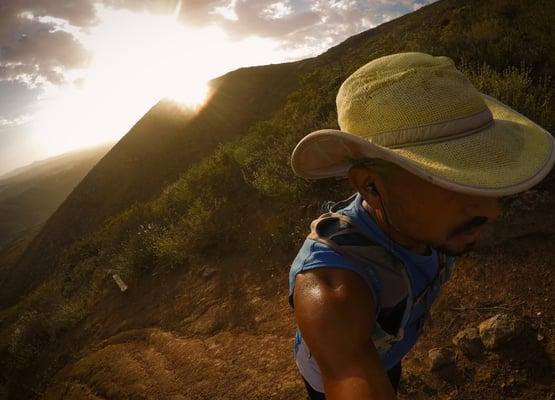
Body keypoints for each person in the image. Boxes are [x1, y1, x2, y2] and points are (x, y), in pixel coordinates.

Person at [287, 52, 555, 399]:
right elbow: (348, 371)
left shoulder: (419, 222)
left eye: (484, 177)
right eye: (450, 182)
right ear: (369, 186)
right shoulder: (333, 284)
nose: (491, 210)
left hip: (390, 356)